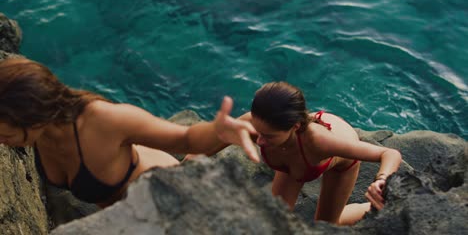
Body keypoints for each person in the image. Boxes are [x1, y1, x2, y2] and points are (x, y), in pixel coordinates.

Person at [0, 55, 259, 207]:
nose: (2, 141)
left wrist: (218, 132)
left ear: (33, 116)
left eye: (5, 133)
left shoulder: (104, 120)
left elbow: (185, 138)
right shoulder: (39, 134)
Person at [213, 81, 402, 225]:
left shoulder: (321, 142)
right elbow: (211, 141)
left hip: (340, 160)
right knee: (273, 223)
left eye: (269, 136)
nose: (259, 141)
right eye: (258, 133)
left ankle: (366, 208)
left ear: (294, 127)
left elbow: (389, 153)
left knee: (325, 226)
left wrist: (382, 180)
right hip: (293, 158)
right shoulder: (256, 124)